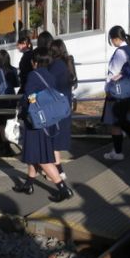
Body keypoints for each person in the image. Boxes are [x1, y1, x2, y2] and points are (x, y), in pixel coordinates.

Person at [11, 47, 74, 202]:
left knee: (42, 159)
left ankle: (63, 189)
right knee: (34, 154)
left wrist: (21, 106)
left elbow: (29, 98)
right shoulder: (50, 76)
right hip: (47, 122)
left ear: (35, 62)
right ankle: (28, 184)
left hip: (36, 123)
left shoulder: (33, 75)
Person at [101, 25, 130, 162]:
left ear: (116, 39)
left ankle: (118, 152)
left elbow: (113, 72)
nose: (112, 42)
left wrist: (107, 89)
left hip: (118, 91)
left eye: (111, 39)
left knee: (115, 122)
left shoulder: (120, 52)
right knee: (123, 119)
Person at [48, 38, 77, 179]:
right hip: (65, 105)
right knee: (57, 141)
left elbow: (49, 86)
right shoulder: (68, 62)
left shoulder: (55, 66)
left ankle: (58, 171)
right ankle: (57, 169)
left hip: (55, 107)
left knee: (53, 140)